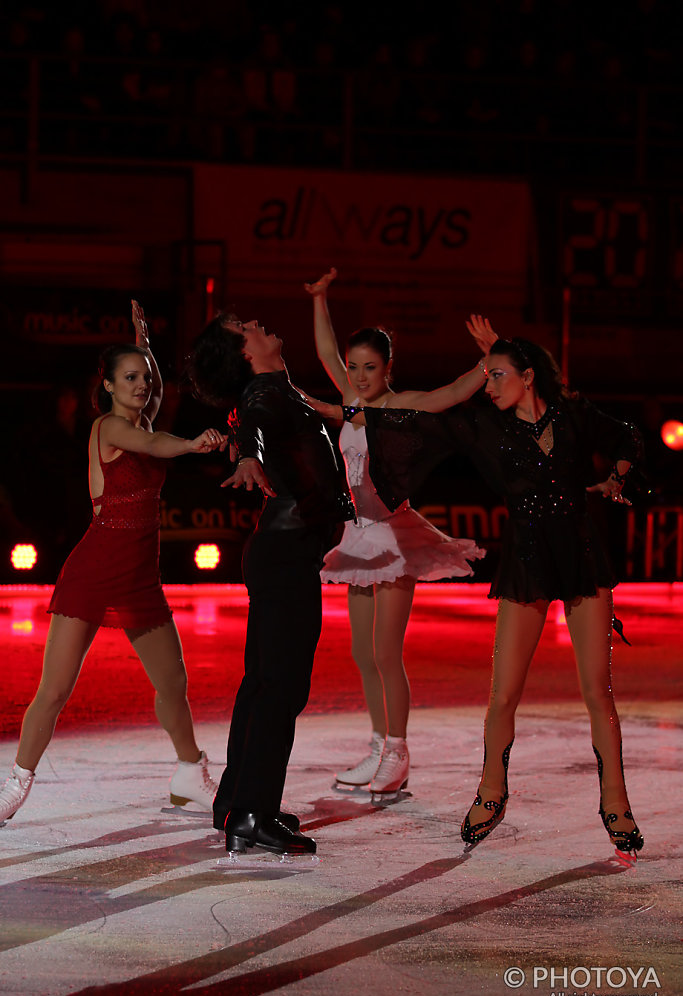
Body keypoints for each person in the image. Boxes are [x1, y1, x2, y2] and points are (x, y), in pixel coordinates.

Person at [317, 332, 645, 857]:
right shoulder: (484, 427)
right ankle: (492, 793)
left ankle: (616, 803)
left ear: (528, 376)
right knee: (503, 694)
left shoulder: (573, 414)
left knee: (596, 692)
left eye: (496, 375)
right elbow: (419, 416)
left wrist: (616, 478)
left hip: (584, 561)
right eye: (486, 375)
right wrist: (346, 410)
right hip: (526, 563)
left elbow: (627, 436)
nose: (487, 386)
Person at [0, 302, 224, 826]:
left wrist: (146, 344)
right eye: (131, 378)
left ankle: (190, 773)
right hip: (95, 568)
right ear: (107, 387)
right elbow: (153, 441)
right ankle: (16, 784)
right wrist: (192, 443)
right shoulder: (108, 429)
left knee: (173, 684)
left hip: (141, 576)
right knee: (54, 691)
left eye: (146, 378)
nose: (142, 385)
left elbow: (158, 407)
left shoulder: (145, 414)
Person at [303, 268, 488, 801]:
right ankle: (379, 744)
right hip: (359, 534)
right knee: (363, 653)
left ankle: (400, 753)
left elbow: (453, 392)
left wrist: (490, 359)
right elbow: (324, 356)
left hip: (394, 534)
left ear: (388, 370)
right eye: (354, 367)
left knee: (387, 652)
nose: (358, 376)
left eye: (370, 368)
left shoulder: (400, 405)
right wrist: (320, 300)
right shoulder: (353, 403)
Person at [188, 314, 355, 856]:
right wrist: (247, 456)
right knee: (280, 687)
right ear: (244, 353)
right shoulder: (263, 392)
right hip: (286, 556)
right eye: (245, 327)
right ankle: (252, 813)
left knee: (263, 684)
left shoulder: (276, 388)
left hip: (280, 553)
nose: (258, 322)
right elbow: (255, 425)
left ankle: (238, 801)